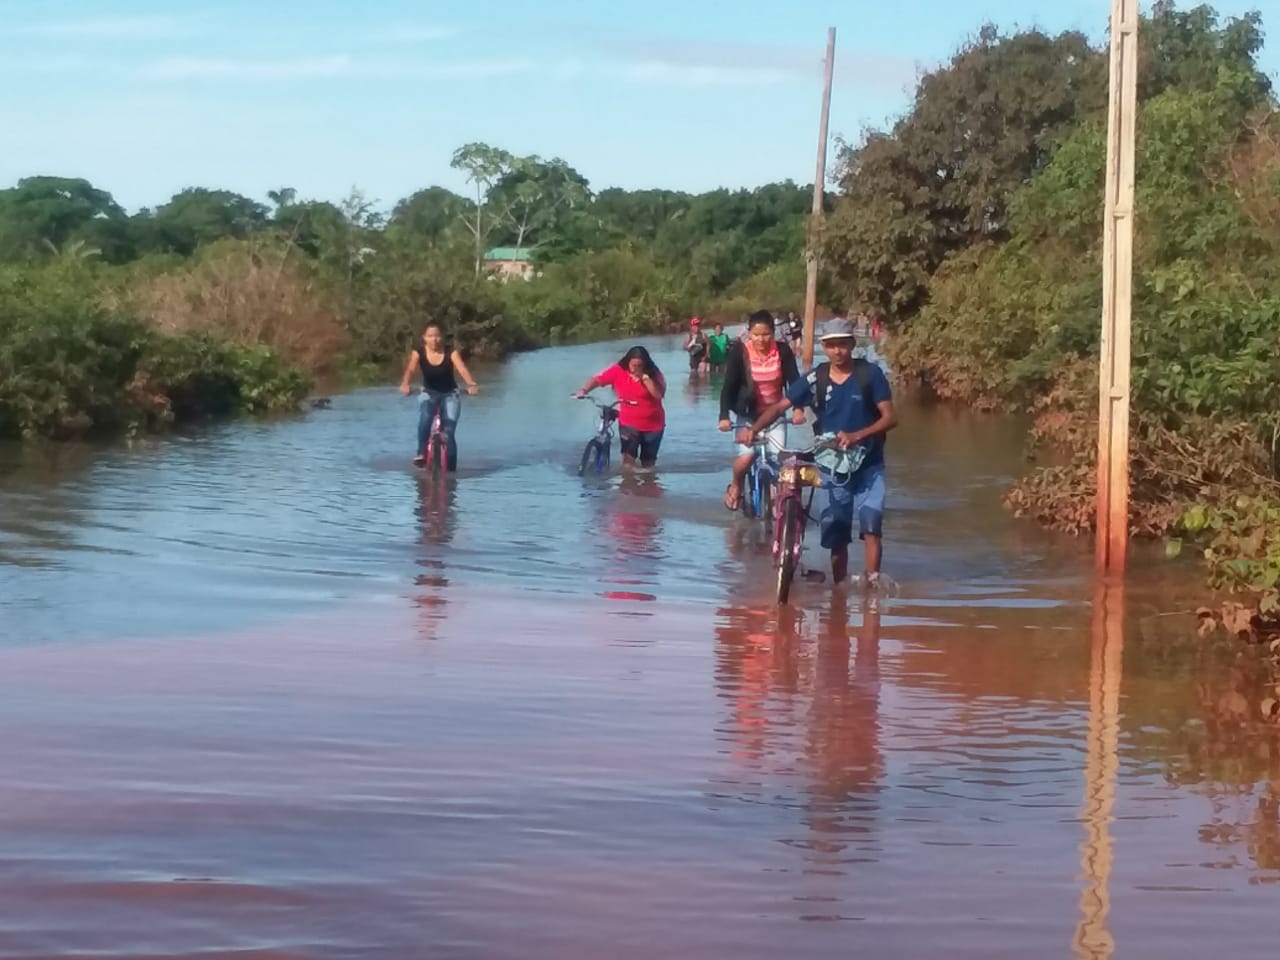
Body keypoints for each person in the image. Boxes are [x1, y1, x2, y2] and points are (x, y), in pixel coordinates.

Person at [739, 317, 896, 586]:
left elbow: (890, 418)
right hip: (831, 466)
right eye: (831, 345)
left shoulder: (870, 374)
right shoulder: (816, 378)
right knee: (836, 531)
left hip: (869, 463)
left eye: (842, 344)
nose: (837, 351)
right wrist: (754, 429)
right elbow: (780, 406)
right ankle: (839, 590)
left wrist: (857, 436)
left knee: (872, 524)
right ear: (824, 347)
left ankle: (872, 587)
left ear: (852, 344)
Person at [718, 310, 805, 510]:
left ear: (773, 333)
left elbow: (794, 382)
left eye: (766, 334)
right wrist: (724, 416)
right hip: (747, 414)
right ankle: (737, 485)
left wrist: (798, 408)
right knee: (747, 457)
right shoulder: (740, 352)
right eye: (756, 335)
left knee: (779, 459)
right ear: (749, 333)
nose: (761, 339)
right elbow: (728, 387)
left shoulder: (783, 351)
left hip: (775, 415)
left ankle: (778, 501)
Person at [398, 322, 479, 470]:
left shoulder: (450, 352)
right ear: (424, 338)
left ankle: (451, 471)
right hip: (428, 393)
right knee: (425, 418)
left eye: (437, 336)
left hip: (450, 394)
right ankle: (421, 453)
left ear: (441, 337)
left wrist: (471, 384)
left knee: (449, 431)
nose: (434, 339)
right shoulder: (418, 353)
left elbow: (462, 369)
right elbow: (410, 370)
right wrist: (405, 384)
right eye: (430, 336)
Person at [574, 345, 667, 469]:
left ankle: (647, 482)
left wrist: (645, 378)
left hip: (653, 425)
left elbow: (658, 395)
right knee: (628, 461)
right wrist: (584, 390)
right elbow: (597, 379)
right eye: (633, 365)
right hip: (629, 423)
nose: (635, 369)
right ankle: (628, 481)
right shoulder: (618, 370)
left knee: (648, 464)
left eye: (640, 365)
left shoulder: (654, 373)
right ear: (627, 362)